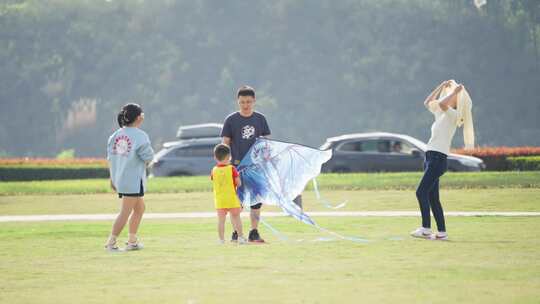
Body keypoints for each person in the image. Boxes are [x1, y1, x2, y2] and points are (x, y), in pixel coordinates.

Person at [411, 80, 465, 241]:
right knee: (433, 198)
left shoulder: (454, 115)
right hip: (430, 158)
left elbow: (442, 103)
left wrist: (455, 92)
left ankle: (426, 229)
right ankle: (442, 233)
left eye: (452, 96)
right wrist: (441, 86)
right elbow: (428, 102)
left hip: (438, 159)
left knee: (420, 192)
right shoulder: (441, 114)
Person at [221, 85, 271, 243]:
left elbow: (266, 141)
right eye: (242, 102)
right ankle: (236, 232)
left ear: (254, 101)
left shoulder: (260, 119)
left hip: (256, 168)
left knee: (256, 202)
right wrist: (226, 164)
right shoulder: (231, 120)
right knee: (237, 203)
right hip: (237, 167)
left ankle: (253, 232)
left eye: (249, 101)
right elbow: (225, 143)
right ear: (238, 102)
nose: (246, 105)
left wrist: (266, 157)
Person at [105, 103, 154, 251]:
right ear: (139, 118)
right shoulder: (140, 135)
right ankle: (111, 243)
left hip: (120, 179)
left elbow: (110, 159)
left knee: (140, 209)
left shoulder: (115, 135)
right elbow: (148, 157)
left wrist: (112, 178)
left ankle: (132, 241)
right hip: (133, 180)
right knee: (125, 213)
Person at [211, 144, 247, 244]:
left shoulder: (213, 170)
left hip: (220, 200)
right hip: (231, 199)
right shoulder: (232, 169)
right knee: (236, 218)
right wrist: (237, 176)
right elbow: (238, 183)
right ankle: (240, 237)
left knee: (221, 220)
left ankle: (221, 240)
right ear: (229, 157)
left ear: (215, 157)